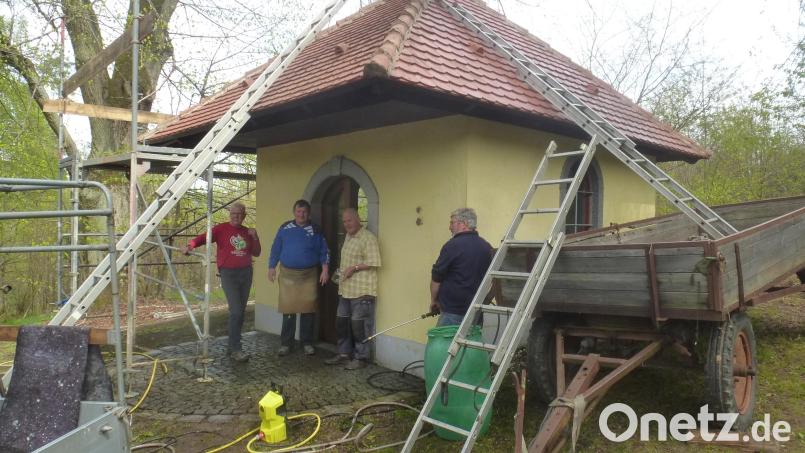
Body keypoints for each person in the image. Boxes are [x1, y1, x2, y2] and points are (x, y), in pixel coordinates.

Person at [183, 202, 261, 362]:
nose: (236, 216)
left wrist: (255, 237)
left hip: (246, 274)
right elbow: (203, 238)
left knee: (240, 313)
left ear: (244, 216)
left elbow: (257, 252)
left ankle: (232, 347)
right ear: (229, 214)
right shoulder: (221, 229)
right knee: (236, 311)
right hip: (228, 274)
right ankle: (236, 349)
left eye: (239, 214)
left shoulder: (248, 232)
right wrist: (190, 245)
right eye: (233, 213)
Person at [268, 199, 330, 356]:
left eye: (304, 212)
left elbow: (324, 250)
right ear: (294, 212)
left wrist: (325, 269)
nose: (301, 214)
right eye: (298, 211)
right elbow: (276, 248)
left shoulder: (315, 229)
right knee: (288, 310)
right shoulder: (284, 228)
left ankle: (307, 343)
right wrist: (271, 267)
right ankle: (286, 344)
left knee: (308, 310)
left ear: (308, 213)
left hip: (309, 275)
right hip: (288, 274)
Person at [324, 208, 381, 370]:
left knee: (359, 326)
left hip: (362, 291)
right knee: (341, 322)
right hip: (346, 289)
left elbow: (374, 261)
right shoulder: (348, 237)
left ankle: (361, 358)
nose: (346, 224)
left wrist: (354, 268)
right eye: (344, 221)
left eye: (349, 220)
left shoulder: (368, 238)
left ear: (358, 219)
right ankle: (343, 354)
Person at [430, 208, 493, 327]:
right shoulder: (486, 246)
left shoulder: (452, 246)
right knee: (471, 345)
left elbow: (436, 278)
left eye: (452, 222)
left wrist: (434, 301)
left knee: (444, 345)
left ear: (463, 224)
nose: (449, 227)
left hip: (453, 312)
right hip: (476, 310)